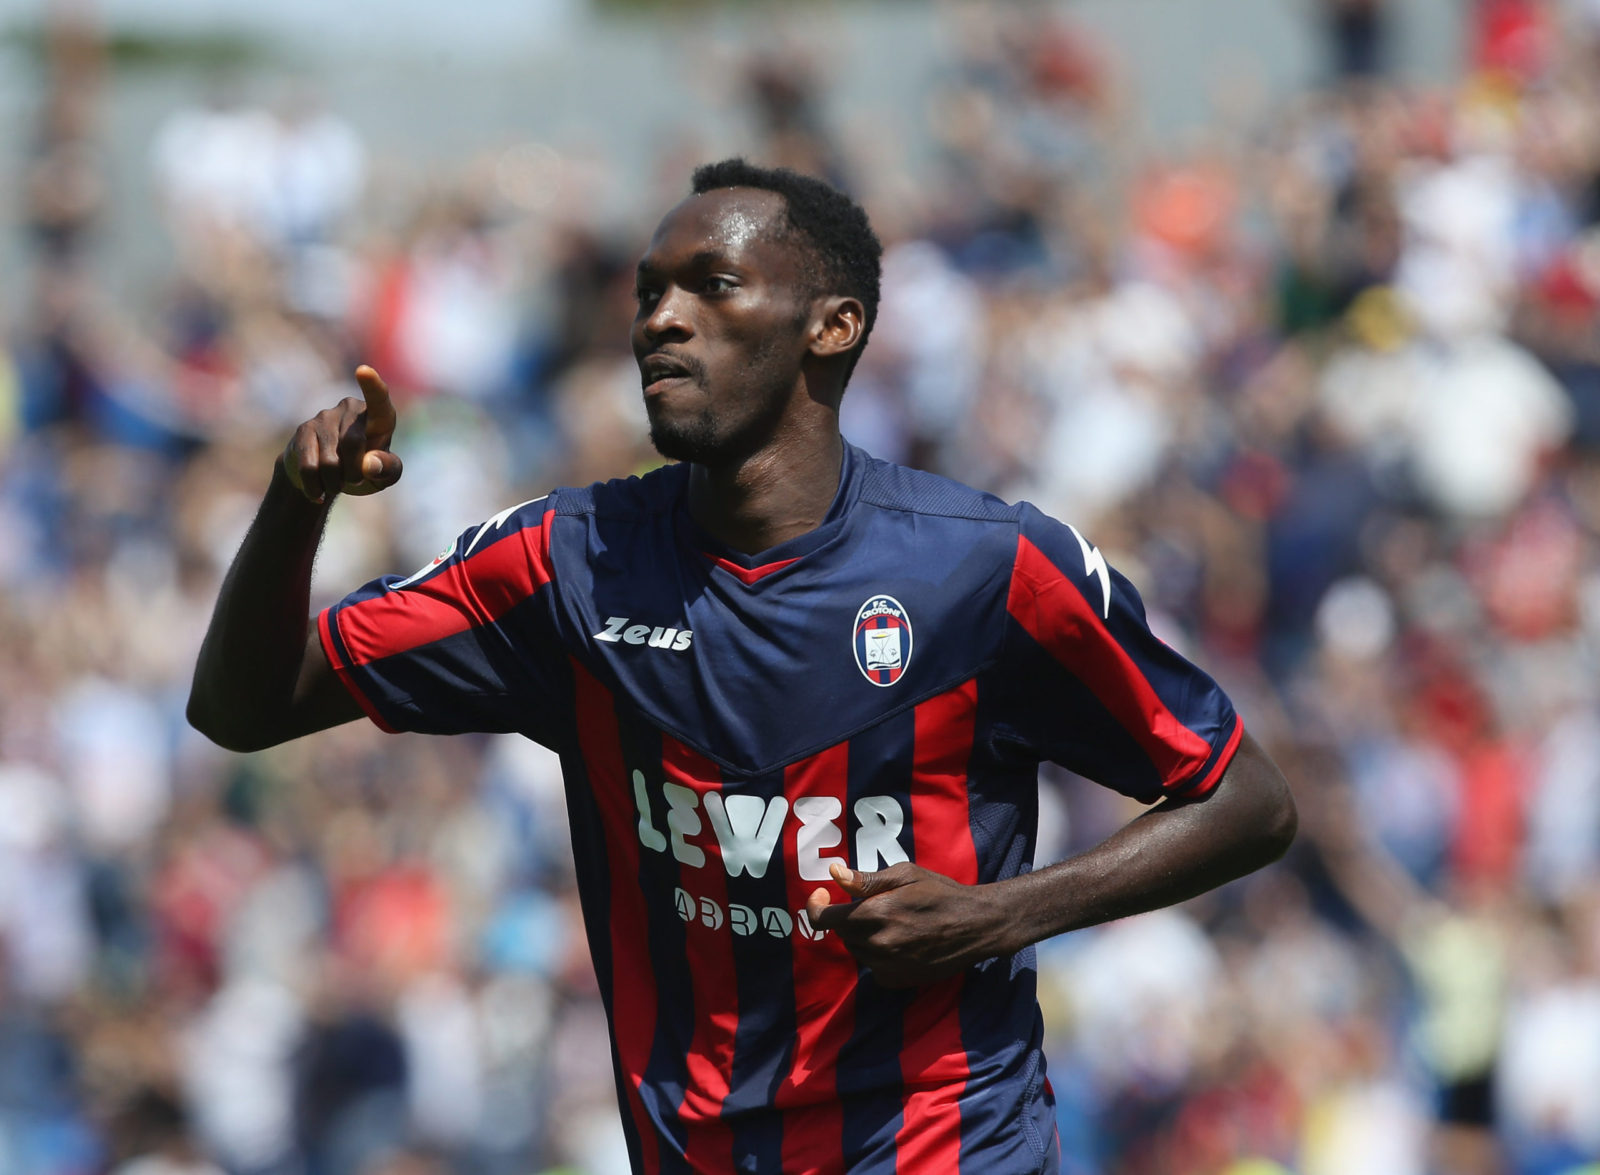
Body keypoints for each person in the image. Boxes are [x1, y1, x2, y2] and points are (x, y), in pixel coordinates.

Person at [189, 159, 1297, 1175]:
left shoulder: (989, 567)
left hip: (948, 1144)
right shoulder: (563, 565)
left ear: (832, 325)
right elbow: (241, 708)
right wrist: (298, 501)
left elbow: (1244, 800)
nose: (661, 320)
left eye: (711, 286)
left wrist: (1000, 913)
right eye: (648, 293)